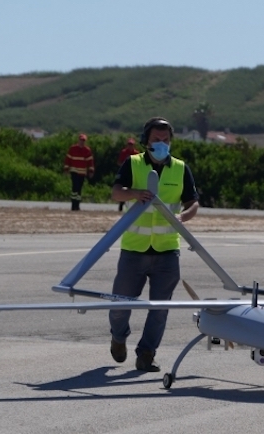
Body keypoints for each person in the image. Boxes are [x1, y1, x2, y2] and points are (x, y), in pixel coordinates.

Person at [108, 117, 199, 372]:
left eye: (166, 140)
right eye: (157, 140)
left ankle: (146, 354)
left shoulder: (180, 168)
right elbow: (116, 192)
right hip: (134, 249)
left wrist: (185, 216)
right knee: (119, 305)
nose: (162, 144)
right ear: (146, 141)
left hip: (167, 250)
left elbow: (193, 202)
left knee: (160, 308)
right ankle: (118, 337)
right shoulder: (133, 163)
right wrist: (134, 193)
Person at [63, 133, 95, 211]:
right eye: (81, 140)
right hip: (74, 171)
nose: (82, 142)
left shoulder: (87, 150)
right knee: (75, 187)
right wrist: (66, 169)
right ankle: (73, 204)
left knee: (79, 189)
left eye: (83, 140)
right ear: (78, 140)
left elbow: (90, 161)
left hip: (82, 172)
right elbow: (68, 159)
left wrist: (91, 171)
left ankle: (77, 205)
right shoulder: (73, 148)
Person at [116, 137, 139, 212]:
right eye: (129, 144)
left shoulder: (136, 153)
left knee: (131, 188)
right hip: (125, 173)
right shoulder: (124, 152)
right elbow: (119, 162)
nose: (130, 146)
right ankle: (121, 205)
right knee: (123, 188)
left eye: (131, 144)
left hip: (134, 173)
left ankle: (130, 205)